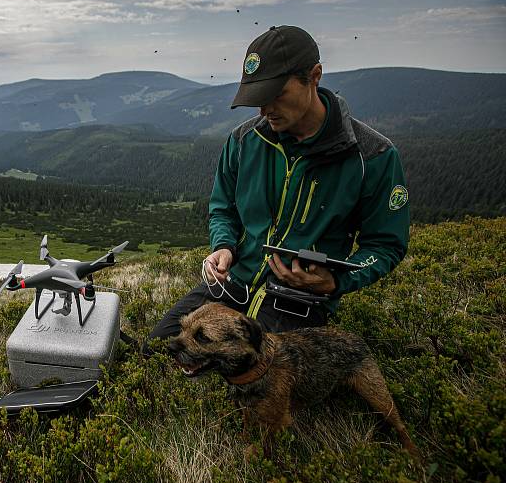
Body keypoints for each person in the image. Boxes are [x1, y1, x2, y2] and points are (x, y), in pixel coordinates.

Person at [147, 25, 410, 344]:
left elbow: (385, 244)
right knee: (158, 352)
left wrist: (336, 281)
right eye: (258, 97)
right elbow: (222, 208)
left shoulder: (373, 156)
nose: (265, 109)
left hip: (299, 303)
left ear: (314, 76)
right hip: (233, 284)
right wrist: (223, 246)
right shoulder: (244, 140)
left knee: (254, 380)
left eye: (276, 95)